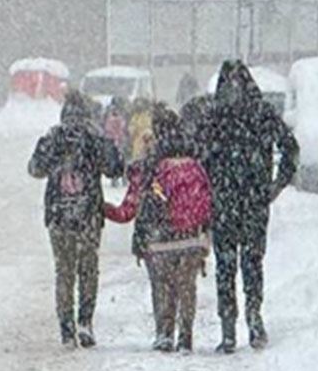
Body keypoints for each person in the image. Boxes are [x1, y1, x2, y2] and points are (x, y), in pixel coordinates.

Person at [196, 60, 299, 352]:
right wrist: (275, 185)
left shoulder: (214, 116)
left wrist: (208, 189)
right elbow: (290, 148)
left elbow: (199, 157)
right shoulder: (262, 112)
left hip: (224, 202)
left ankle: (229, 329)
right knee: (252, 263)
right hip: (252, 201)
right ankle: (253, 319)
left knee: (227, 266)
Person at [103, 106, 213, 353]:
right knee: (187, 286)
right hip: (191, 237)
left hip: (159, 239)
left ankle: (164, 333)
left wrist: (103, 209)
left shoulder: (147, 166)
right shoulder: (196, 161)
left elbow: (127, 211)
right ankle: (185, 335)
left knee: (162, 285)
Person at [29, 90, 125, 348]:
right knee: (88, 269)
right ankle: (85, 321)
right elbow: (115, 167)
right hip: (88, 215)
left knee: (64, 271)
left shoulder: (53, 136)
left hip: (59, 215)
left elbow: (35, 169)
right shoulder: (94, 138)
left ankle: (66, 328)